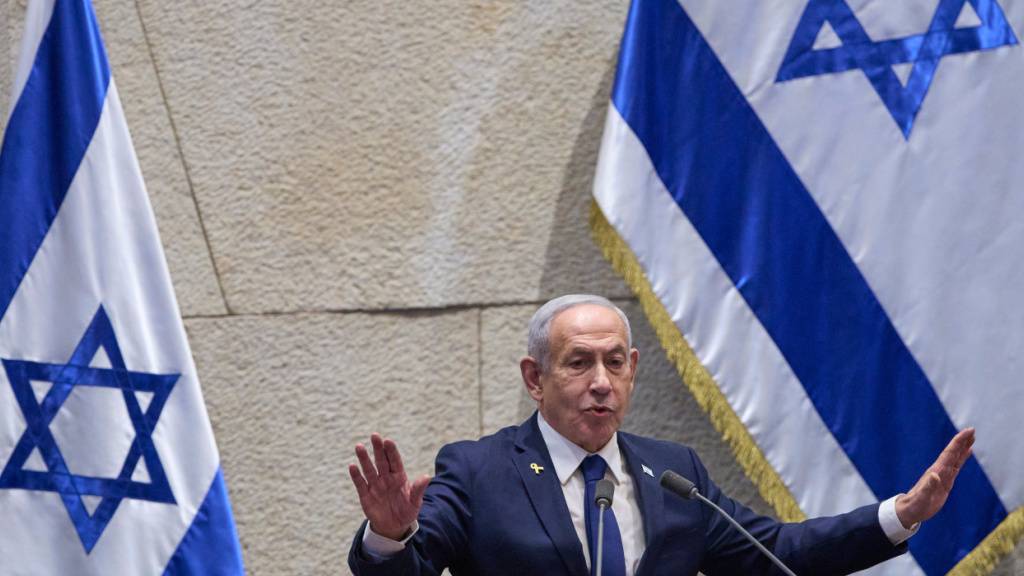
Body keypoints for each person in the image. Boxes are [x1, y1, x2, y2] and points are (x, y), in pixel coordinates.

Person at [347, 294, 974, 575]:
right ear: (535, 379)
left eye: (614, 362)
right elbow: (412, 571)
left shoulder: (675, 474)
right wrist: (391, 535)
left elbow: (779, 554)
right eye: (579, 363)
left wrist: (900, 514)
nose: (601, 382)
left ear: (633, 370)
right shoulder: (480, 470)